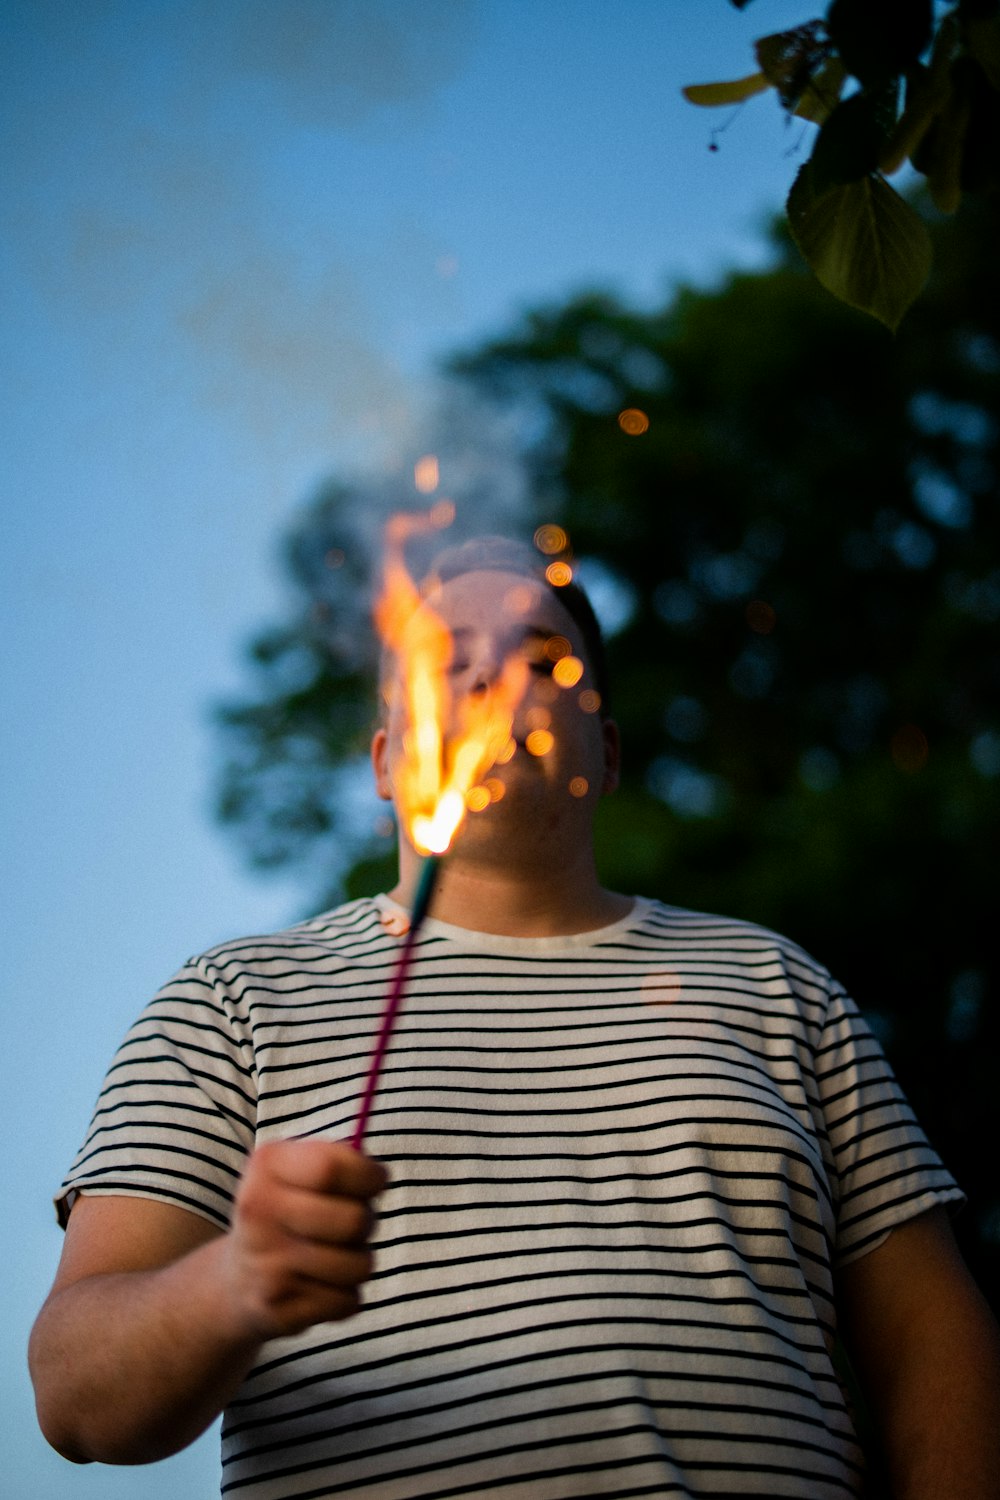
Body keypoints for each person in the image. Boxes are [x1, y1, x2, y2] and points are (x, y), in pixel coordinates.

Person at [30, 536, 1000, 1500]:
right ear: (382, 758)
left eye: (545, 661)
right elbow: (76, 1401)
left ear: (607, 752)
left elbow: (931, 1337)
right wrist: (232, 1282)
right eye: (447, 663)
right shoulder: (232, 1003)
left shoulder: (775, 983)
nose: (497, 680)